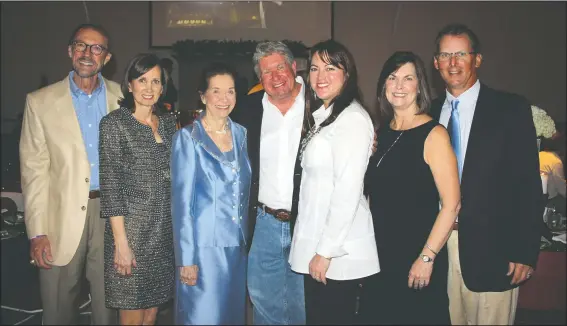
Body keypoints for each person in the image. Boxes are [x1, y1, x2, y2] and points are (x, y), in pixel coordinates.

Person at [430, 23, 543, 325]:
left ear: (477, 59)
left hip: (494, 250)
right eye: (445, 55)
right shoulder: (427, 114)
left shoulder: (510, 109)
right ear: (436, 63)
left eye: (460, 54)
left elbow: (528, 186)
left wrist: (525, 250)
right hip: (438, 249)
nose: (453, 63)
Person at [19, 23, 120, 324]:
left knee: (109, 304)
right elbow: (33, 171)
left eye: (97, 48)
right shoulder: (40, 102)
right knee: (57, 307)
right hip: (59, 216)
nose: (88, 53)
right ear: (69, 51)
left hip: (112, 214)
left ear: (107, 57)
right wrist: (37, 232)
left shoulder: (124, 97)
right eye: (81, 45)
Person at [364, 51, 460, 324]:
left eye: (408, 78)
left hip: (416, 257)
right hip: (381, 256)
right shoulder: (380, 133)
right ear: (383, 84)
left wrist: (427, 258)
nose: (399, 86)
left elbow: (452, 204)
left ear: (420, 85)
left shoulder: (434, 134)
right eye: (392, 78)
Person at [288, 39, 379, 325]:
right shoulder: (326, 116)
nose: (320, 76)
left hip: (338, 253)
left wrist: (324, 252)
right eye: (314, 69)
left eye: (330, 68)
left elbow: (348, 191)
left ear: (346, 73)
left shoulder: (351, 119)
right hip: (321, 245)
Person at [230, 41, 306, 325]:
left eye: (280, 67)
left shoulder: (321, 105)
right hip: (263, 224)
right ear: (259, 79)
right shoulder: (246, 110)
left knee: (305, 306)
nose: (275, 77)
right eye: (266, 72)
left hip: (307, 223)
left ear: (293, 67)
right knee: (263, 303)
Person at [171, 62, 251, 325]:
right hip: (203, 251)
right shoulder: (188, 138)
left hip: (237, 250)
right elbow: (182, 203)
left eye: (230, 91)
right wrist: (186, 258)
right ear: (203, 95)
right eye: (216, 91)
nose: (224, 98)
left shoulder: (241, 134)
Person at [99, 53, 176, 325]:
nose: (149, 88)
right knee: (131, 317)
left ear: (162, 87)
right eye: (142, 80)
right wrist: (121, 244)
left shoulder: (168, 123)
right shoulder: (114, 124)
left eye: (156, 81)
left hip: (162, 233)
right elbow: (110, 187)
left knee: (151, 316)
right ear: (129, 85)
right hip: (130, 234)